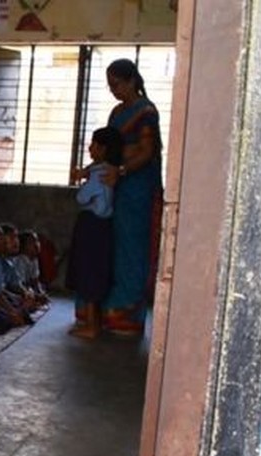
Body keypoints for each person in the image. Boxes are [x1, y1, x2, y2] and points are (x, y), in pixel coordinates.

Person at [101, 58, 164, 336]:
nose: (113, 90)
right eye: (109, 85)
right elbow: (108, 146)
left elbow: (147, 152)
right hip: (117, 186)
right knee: (117, 244)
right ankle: (115, 304)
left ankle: (129, 311)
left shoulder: (146, 112)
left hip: (138, 187)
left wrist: (123, 170)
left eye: (116, 84)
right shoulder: (117, 112)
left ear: (131, 81)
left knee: (134, 246)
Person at [67, 127, 123, 338]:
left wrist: (82, 180)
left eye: (94, 145)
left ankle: (92, 325)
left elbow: (82, 197)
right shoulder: (109, 170)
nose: (90, 148)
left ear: (103, 149)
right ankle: (94, 322)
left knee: (89, 273)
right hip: (103, 226)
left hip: (92, 225)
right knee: (96, 272)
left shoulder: (98, 175)